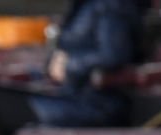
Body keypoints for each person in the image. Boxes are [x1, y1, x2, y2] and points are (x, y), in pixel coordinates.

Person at [27, 0, 144, 128]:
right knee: (10, 102)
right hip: (73, 94)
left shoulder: (111, 6)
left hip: (97, 104)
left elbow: (113, 55)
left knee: (19, 109)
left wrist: (68, 65)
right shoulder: (85, 5)